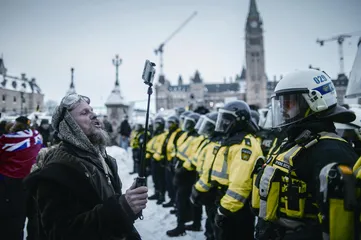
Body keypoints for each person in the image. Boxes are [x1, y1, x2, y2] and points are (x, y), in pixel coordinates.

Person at [23, 93, 148, 240]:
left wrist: (128, 204)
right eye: (84, 112)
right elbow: (61, 233)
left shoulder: (104, 160)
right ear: (69, 125)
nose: (94, 115)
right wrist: (122, 208)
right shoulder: (56, 171)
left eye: (92, 110)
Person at [255, 69, 359, 240]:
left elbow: (340, 221)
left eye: (288, 103)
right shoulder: (295, 142)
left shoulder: (331, 151)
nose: (282, 110)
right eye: (280, 104)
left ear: (314, 101)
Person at [0, 116, 43, 240]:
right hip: (34, 180)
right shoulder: (37, 137)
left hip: (11, 184)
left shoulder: (6, 141)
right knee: (35, 216)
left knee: (13, 220)